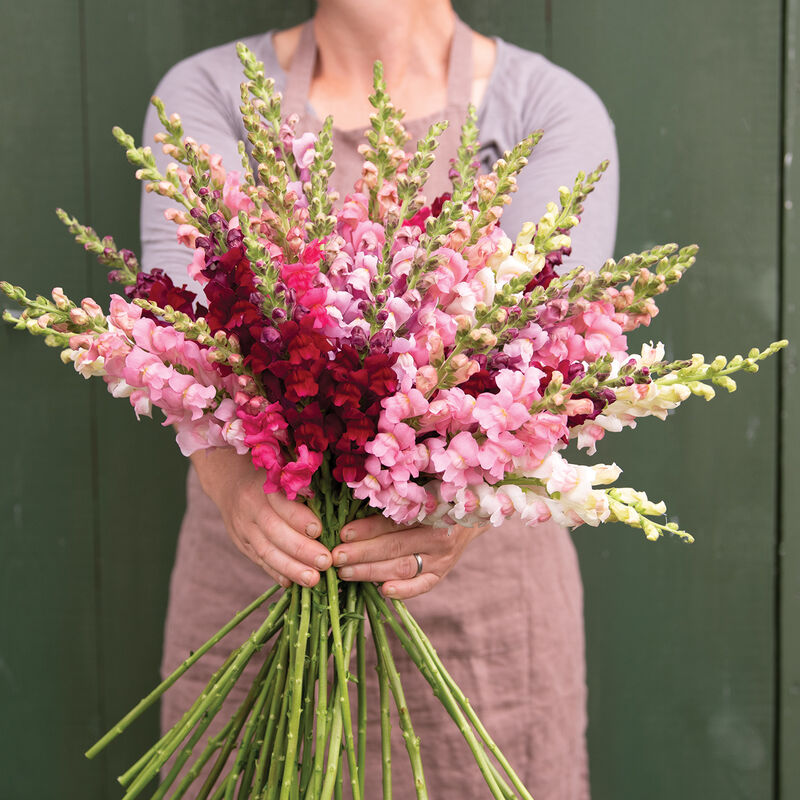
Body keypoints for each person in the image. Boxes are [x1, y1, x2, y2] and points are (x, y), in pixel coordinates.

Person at [140, 2, 618, 797]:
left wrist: (459, 506)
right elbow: (187, 346)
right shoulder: (212, 92)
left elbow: (543, 357)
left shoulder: (545, 108)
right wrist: (236, 484)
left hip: (482, 627)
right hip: (262, 575)